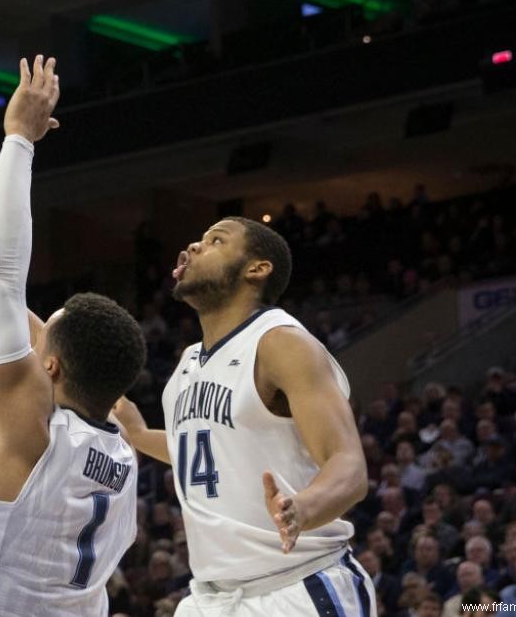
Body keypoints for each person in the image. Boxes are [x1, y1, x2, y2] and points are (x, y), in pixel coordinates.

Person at [0, 56, 147, 615]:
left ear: (52, 366)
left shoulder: (31, 433)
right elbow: (73, 350)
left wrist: (19, 138)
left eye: (46, 333)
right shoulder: (121, 444)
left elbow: (1, 273)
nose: (37, 330)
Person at [113, 217, 374, 615]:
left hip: (295, 586)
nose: (196, 247)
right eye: (198, 240)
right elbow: (210, 449)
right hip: (210, 598)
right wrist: (137, 434)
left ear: (257, 268)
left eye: (216, 240)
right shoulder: (187, 364)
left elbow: (349, 465)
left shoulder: (281, 342)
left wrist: (303, 508)